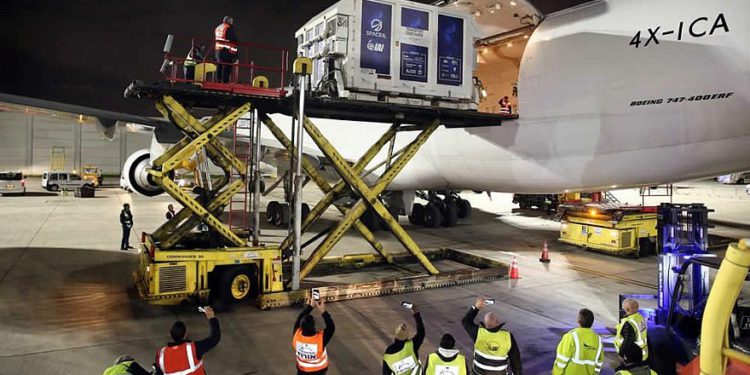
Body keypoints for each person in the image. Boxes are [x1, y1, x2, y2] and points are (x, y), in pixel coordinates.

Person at [462, 297, 521, 375]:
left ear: (485, 324)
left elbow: (465, 321)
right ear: (497, 322)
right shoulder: (508, 337)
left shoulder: (478, 333)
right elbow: (515, 360)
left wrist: (476, 307)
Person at [155, 306, 220, 375]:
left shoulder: (161, 354)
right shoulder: (193, 349)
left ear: (170, 333)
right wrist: (211, 317)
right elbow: (214, 338)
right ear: (186, 334)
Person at [552, 308, 603, 375]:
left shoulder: (571, 336)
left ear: (578, 320)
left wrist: (556, 373)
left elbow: (561, 360)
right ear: (592, 322)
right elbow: (599, 363)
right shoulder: (598, 340)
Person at [293, 299, 335, 374]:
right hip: (319, 371)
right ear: (314, 326)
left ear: (301, 326)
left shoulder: (296, 336)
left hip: (302, 370)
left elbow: (299, 318)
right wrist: (323, 311)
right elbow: (331, 327)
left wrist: (310, 306)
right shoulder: (320, 339)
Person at [383, 303, 425, 375]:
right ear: (406, 337)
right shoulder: (412, 345)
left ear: (396, 336)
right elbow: (421, 333)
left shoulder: (388, 353)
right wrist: (416, 314)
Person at [214, 16, 238, 83]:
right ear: (229, 21)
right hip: (226, 50)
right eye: (232, 22)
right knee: (228, 66)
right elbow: (233, 39)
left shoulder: (218, 27)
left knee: (219, 65)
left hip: (218, 50)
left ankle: (219, 80)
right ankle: (225, 81)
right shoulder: (228, 28)